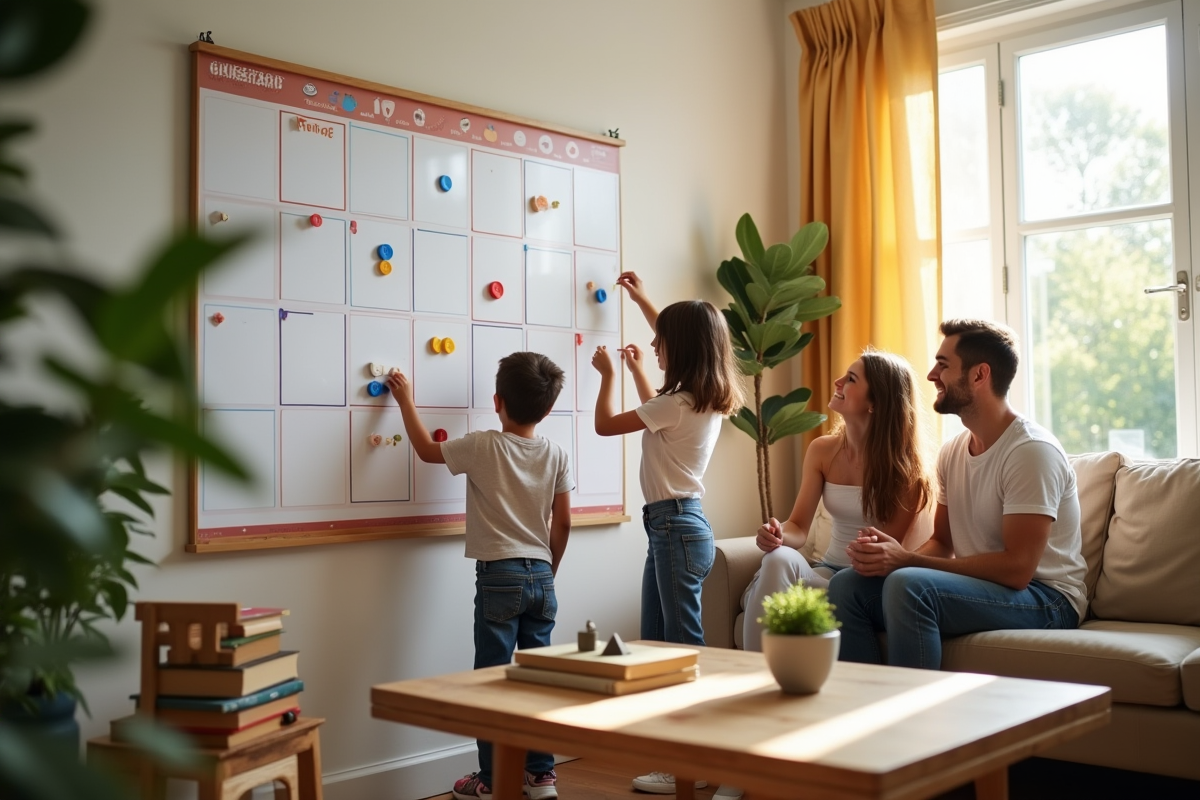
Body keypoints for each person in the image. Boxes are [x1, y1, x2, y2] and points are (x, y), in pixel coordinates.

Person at [828, 319, 1086, 670]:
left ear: (980, 375)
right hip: (982, 586)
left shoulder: (1030, 451)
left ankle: (909, 716)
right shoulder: (953, 452)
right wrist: (887, 560)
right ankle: (859, 704)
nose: (932, 374)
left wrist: (906, 562)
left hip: (1048, 600)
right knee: (847, 586)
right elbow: (942, 542)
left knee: (909, 585)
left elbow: (1018, 569)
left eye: (943, 365)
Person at [387, 352, 573, 800]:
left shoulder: (484, 445)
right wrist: (549, 569)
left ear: (497, 401)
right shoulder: (556, 453)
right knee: (537, 676)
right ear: (548, 409)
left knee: (491, 680)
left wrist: (406, 401)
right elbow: (562, 522)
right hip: (541, 573)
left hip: (499, 575)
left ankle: (492, 780)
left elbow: (427, 452)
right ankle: (541, 774)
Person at [590, 272, 744, 797]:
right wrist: (640, 302)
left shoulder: (675, 402)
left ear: (680, 351)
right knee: (660, 645)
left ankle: (702, 761)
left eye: (659, 346)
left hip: (675, 528)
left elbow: (606, 425)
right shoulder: (696, 398)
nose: (653, 347)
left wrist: (610, 373)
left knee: (681, 650)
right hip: (675, 527)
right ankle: (685, 756)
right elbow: (679, 343)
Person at [741, 349, 932, 653]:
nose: (838, 381)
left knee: (834, 587)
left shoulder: (909, 474)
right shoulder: (823, 450)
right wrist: (779, 534)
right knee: (777, 559)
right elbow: (799, 526)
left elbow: (886, 555)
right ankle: (753, 673)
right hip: (826, 571)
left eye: (851, 379)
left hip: (866, 587)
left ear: (875, 404)